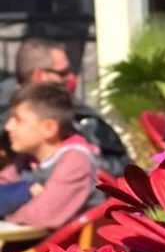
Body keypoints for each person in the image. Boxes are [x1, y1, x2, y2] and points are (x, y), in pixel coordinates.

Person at [0, 37, 131, 178]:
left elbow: (120, 167)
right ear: (39, 76)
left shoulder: (82, 118)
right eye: (63, 73)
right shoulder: (7, 114)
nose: (71, 78)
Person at [1, 83, 99, 239]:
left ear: (49, 128)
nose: (8, 126)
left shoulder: (76, 160)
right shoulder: (27, 161)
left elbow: (40, 216)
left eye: (17, 120)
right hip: (32, 248)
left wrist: (6, 208)